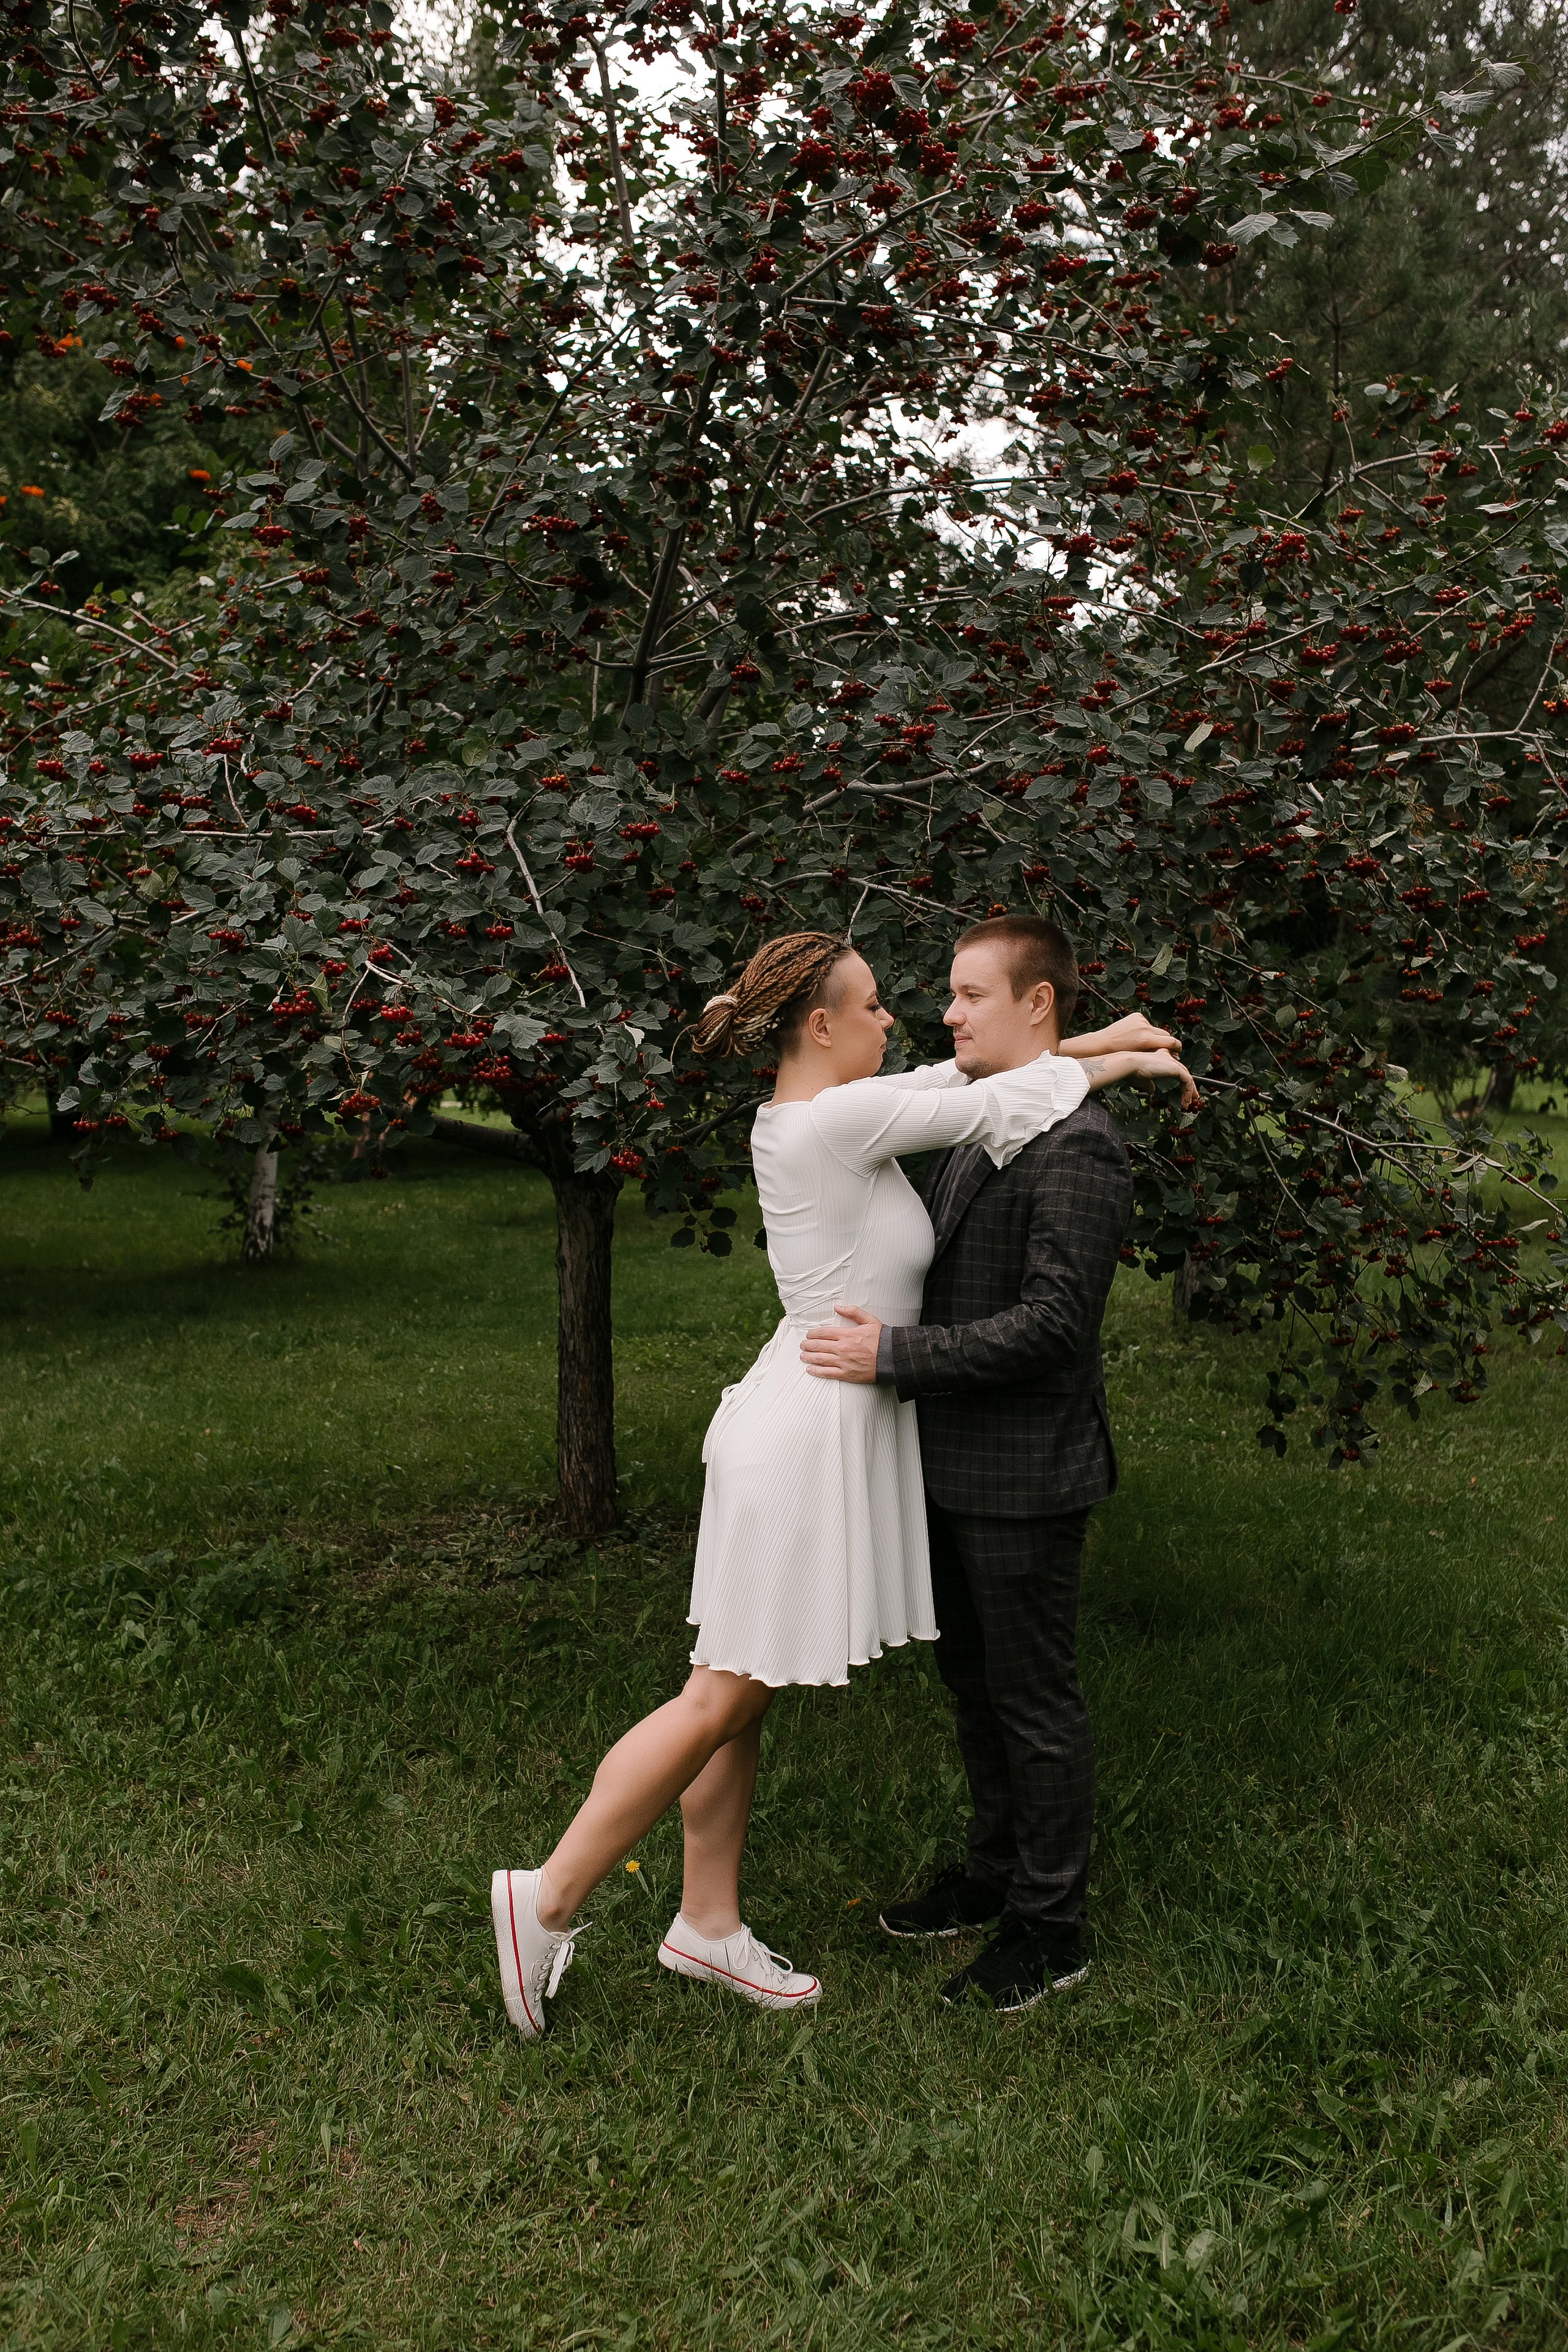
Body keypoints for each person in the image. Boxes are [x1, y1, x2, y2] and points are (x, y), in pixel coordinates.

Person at [491, 930, 1194, 2039]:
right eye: (873, 1008)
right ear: (820, 1025)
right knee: (719, 1696)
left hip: (791, 1411)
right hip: (811, 1432)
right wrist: (1113, 1057)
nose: (898, 1026)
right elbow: (987, 1096)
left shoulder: (819, 1113)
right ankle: (550, 1895)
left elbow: (962, 1082)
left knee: (736, 1689)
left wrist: (1103, 1041)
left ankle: (707, 1925)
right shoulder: (841, 1119)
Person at [801, 916, 1158, 2015]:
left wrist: (890, 1355)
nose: (946, 1013)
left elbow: (1055, 1324)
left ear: (1034, 1004)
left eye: (968, 995)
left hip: (1028, 1473)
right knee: (972, 1690)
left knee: (1034, 1700)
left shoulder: (1082, 1149)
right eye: (948, 995)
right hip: (947, 1464)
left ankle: (1051, 1929)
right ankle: (994, 1874)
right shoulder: (978, 1119)